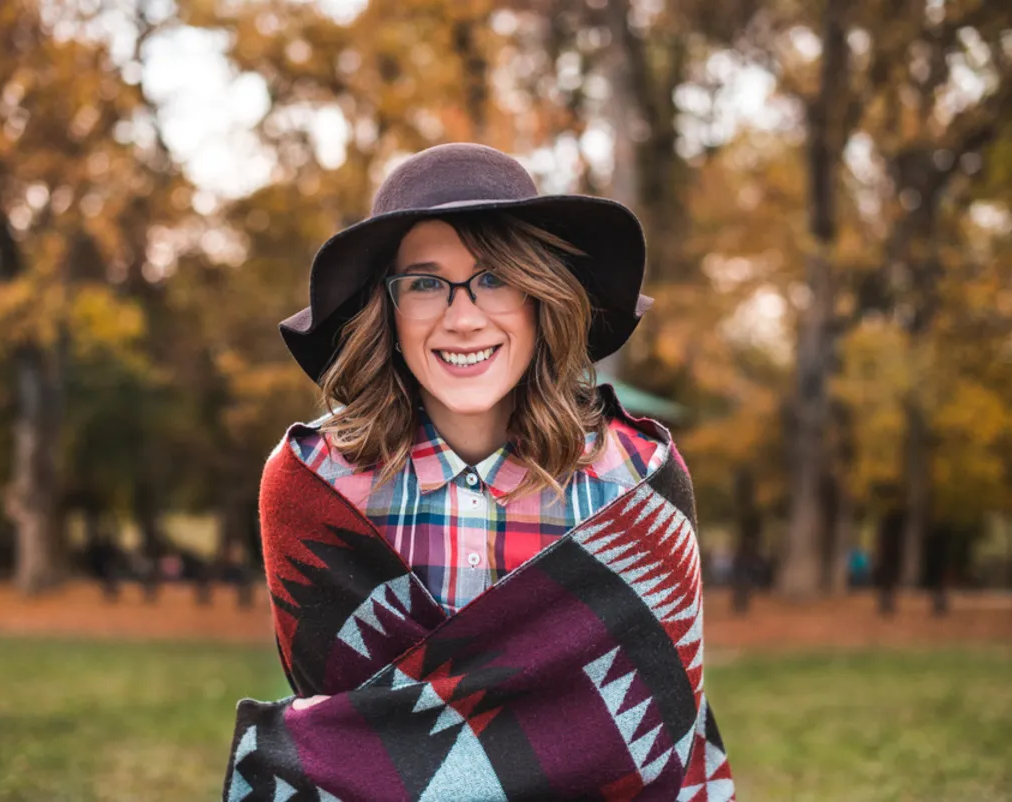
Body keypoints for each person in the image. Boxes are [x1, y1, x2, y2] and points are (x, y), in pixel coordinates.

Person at [223, 143, 735, 801]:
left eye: (494, 278)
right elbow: (345, 742)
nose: (463, 318)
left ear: (539, 296)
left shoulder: (636, 480)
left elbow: (663, 738)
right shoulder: (315, 482)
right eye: (424, 283)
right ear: (386, 309)